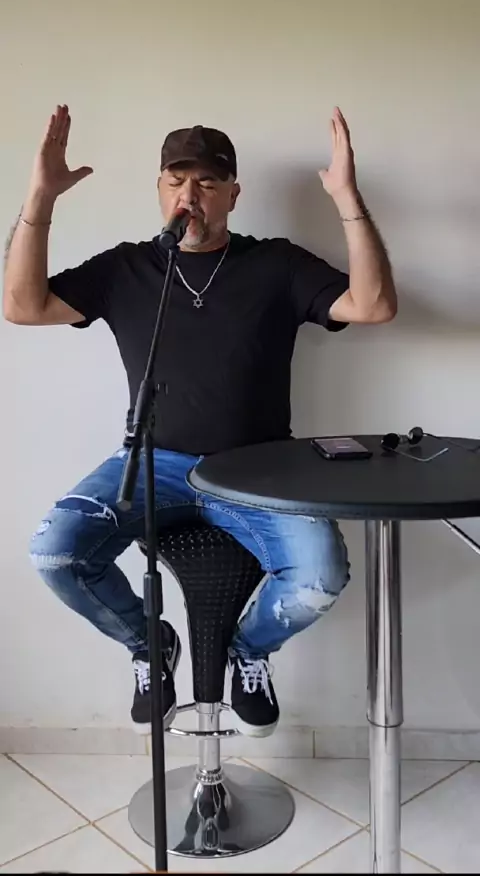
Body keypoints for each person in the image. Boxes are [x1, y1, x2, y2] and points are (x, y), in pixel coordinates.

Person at [3, 105, 397, 737]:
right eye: (176, 181)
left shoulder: (276, 263)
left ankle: (247, 651)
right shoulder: (128, 268)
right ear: (160, 190)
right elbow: (22, 306)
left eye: (208, 183)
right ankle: (148, 643)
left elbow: (374, 305)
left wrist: (348, 199)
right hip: (151, 462)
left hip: (259, 470)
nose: (190, 196)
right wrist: (41, 196)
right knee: (54, 552)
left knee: (322, 574)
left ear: (233, 195)